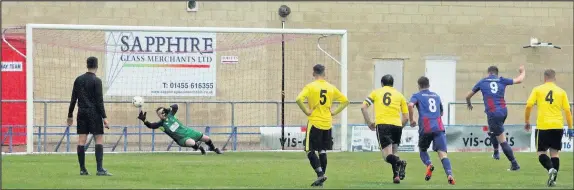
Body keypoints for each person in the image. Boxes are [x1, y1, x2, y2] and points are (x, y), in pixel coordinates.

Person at [295, 64, 349, 187]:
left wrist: (306, 111)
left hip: (315, 122)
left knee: (309, 150)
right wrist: (334, 112)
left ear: (314, 73)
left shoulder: (310, 87)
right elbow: (345, 101)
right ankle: (322, 177)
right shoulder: (331, 88)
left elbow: (298, 99)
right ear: (325, 74)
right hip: (327, 123)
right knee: (322, 150)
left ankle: (320, 174)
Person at [465, 65, 525, 171]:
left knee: (501, 139)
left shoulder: (483, 82)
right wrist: (522, 71)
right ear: (496, 73)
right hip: (503, 111)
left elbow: (468, 96)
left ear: (489, 73)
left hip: (493, 113)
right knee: (493, 131)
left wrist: (469, 103)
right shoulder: (501, 80)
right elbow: (519, 80)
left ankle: (514, 164)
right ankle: (496, 153)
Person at [524, 69, 573, 187]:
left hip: (543, 126)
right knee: (555, 153)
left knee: (541, 152)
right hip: (557, 126)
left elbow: (529, 105)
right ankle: (553, 180)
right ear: (554, 78)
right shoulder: (561, 92)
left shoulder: (537, 89)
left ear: (544, 78)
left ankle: (550, 169)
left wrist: (527, 121)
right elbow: (567, 110)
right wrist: (571, 127)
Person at [67, 56, 111, 176]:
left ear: (87, 65)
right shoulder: (97, 81)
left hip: (81, 113)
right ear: (97, 66)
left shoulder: (78, 79)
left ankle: (82, 169)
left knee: (81, 140)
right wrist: (105, 117)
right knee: (99, 139)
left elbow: (73, 99)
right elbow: (99, 101)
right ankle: (100, 169)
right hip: (94, 113)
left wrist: (70, 115)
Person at [360, 74, 408, 184]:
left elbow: (363, 107)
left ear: (382, 83)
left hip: (383, 125)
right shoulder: (400, 95)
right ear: (392, 84)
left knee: (387, 157)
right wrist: (400, 127)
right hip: (397, 125)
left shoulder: (376, 92)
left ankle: (400, 162)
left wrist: (369, 123)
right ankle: (396, 176)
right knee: (394, 151)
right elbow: (406, 117)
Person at [408, 76, 455, 185]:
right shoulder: (436, 96)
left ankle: (429, 164)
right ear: (429, 85)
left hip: (426, 126)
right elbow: (441, 112)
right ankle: (449, 174)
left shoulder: (417, 95)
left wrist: (412, 120)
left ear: (419, 85)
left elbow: (410, 105)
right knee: (443, 154)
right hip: (438, 126)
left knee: (422, 149)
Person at [137, 104, 222, 155]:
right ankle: (201, 149)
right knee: (192, 142)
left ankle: (213, 149)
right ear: (158, 116)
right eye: (160, 114)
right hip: (181, 139)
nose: (162, 114)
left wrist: (169, 108)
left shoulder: (171, 114)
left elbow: (176, 106)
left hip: (189, 132)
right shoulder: (161, 124)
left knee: (207, 138)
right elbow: (151, 125)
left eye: (163, 112)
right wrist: (144, 120)